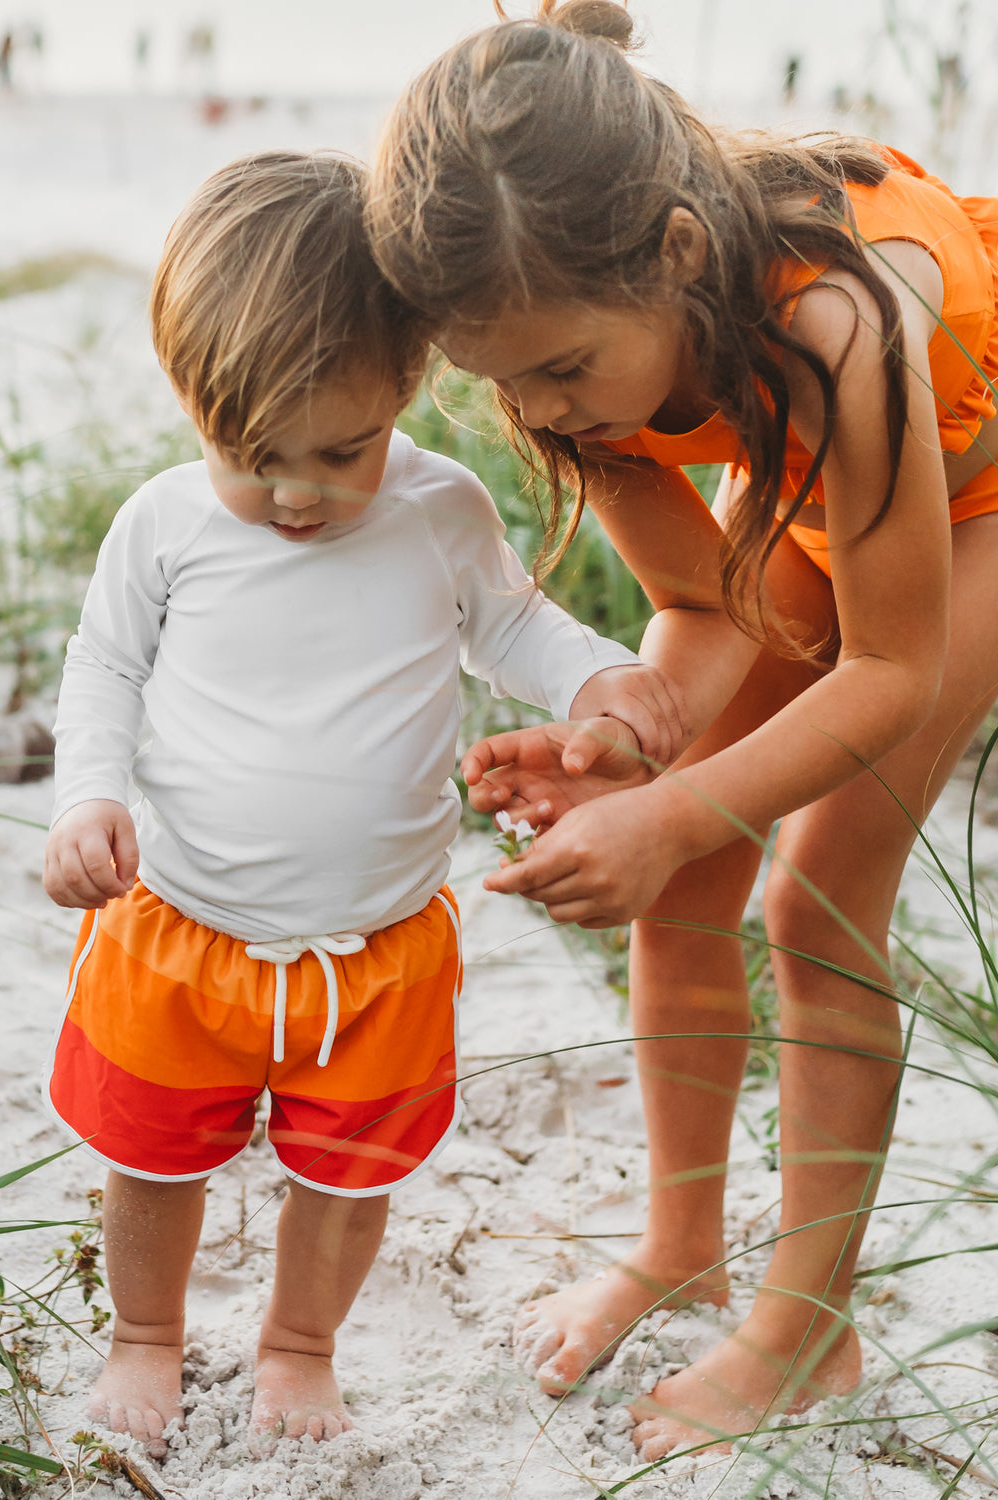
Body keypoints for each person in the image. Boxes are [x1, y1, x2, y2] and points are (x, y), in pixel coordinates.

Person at [365, 0, 998, 1462]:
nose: (537, 407)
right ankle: (682, 1241)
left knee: (815, 898)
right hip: (809, 479)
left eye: (563, 370)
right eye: (502, 379)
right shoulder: (583, 359)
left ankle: (806, 1327)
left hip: (973, 497)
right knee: (695, 869)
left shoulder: (840, 322)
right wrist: (644, 734)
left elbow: (889, 665)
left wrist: (677, 814)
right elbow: (708, 614)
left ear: (678, 254)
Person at [40, 149, 687, 1459]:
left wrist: (606, 675)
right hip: (182, 930)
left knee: (347, 1179)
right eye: (248, 455)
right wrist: (89, 796)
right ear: (189, 408)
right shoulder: (165, 527)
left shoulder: (440, 513)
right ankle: (146, 1336)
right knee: (153, 1163)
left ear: (409, 383)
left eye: (341, 451)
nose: (292, 493)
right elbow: (104, 668)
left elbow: (516, 625)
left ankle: (299, 1343)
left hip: (376, 956)